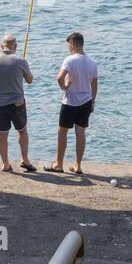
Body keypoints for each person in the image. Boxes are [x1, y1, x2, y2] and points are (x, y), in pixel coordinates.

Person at [46, 31, 98, 174]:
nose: (68, 47)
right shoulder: (92, 62)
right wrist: (93, 102)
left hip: (70, 101)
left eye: (69, 45)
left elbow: (59, 78)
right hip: (86, 100)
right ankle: (78, 166)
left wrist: (64, 87)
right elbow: (94, 84)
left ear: (74, 44)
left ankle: (59, 164)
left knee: (62, 131)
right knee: (80, 132)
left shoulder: (70, 60)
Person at [0, 34, 36, 173]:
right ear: (15, 46)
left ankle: (5, 164)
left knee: (2, 134)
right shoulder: (21, 60)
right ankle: (25, 160)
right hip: (17, 103)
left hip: (0, 103)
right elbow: (29, 80)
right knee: (22, 131)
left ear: (1, 46)